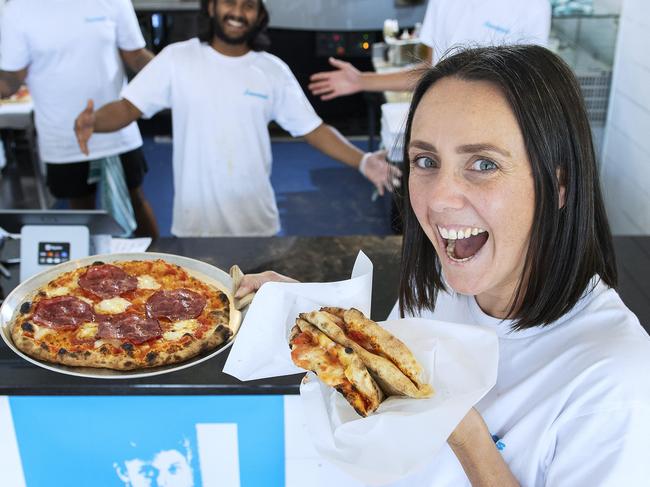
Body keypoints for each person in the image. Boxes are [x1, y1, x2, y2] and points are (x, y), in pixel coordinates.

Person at [235, 45, 650, 485]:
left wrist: (466, 433)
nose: (437, 199)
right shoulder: (440, 285)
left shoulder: (618, 385)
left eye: (483, 164)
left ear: (559, 184)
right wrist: (317, 317)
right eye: (426, 161)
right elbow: (392, 395)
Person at [74, 0, 400, 237]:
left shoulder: (272, 70)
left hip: (257, 223)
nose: (238, 12)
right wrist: (95, 122)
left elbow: (313, 130)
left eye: (248, 6)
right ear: (212, 7)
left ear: (258, 15)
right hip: (194, 225)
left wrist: (363, 161)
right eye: (230, 2)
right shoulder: (178, 58)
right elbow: (128, 107)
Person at [0, 0, 159, 238]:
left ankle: (165, 264)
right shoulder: (17, 9)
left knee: (135, 198)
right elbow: (11, 80)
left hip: (116, 127)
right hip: (62, 135)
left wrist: (173, 74)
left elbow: (135, 56)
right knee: (81, 216)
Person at [308, 0, 550, 100]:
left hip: (494, 126)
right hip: (444, 116)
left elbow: (530, 83)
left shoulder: (532, 5)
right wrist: (362, 80)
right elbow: (431, 72)